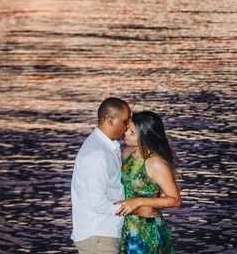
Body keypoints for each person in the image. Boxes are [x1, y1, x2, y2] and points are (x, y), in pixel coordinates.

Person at [71, 98, 158, 254]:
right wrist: (137, 210)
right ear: (110, 120)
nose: (128, 126)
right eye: (125, 121)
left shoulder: (107, 147)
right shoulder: (97, 154)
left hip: (104, 234)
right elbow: (97, 203)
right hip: (99, 236)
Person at [114, 111, 181, 254]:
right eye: (127, 128)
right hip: (127, 224)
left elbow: (175, 200)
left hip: (147, 228)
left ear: (145, 137)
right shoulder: (127, 153)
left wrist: (139, 202)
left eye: (131, 133)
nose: (125, 133)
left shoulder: (155, 163)